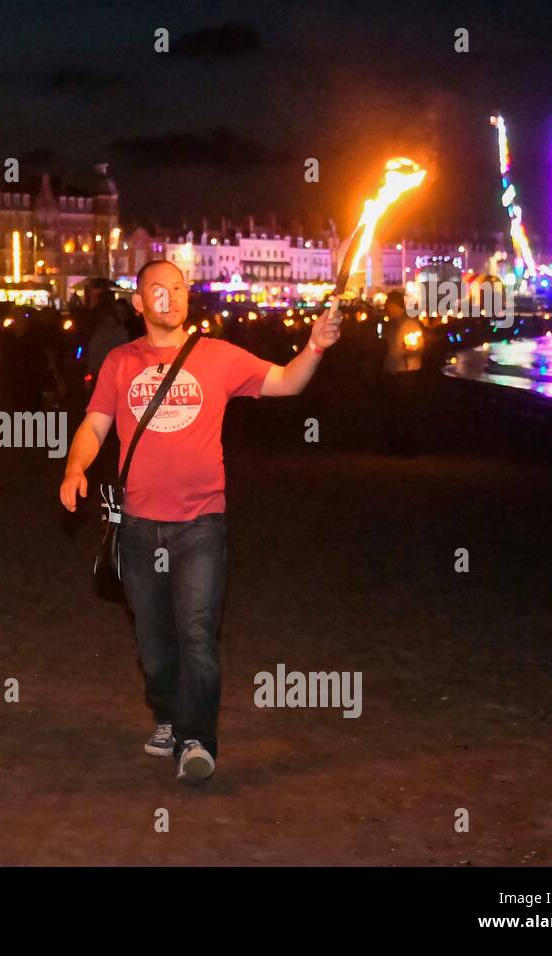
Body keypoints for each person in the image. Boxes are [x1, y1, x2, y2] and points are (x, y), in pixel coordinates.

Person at [58, 259, 341, 785]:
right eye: (156, 291)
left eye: (178, 288)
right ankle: (168, 715)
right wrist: (76, 465)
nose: (170, 297)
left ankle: (196, 739)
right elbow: (95, 425)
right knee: (155, 647)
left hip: (201, 524)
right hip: (140, 527)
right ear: (138, 304)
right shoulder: (121, 362)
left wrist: (315, 346)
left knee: (197, 636)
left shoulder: (217, 357)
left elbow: (286, 382)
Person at [379, 290, 425, 457]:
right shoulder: (395, 324)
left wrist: (409, 349)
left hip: (406, 372)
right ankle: (399, 445)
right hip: (396, 370)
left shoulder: (408, 324)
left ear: (393, 305)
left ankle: (407, 447)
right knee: (398, 410)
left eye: (387, 306)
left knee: (405, 410)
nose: (385, 309)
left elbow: (416, 347)